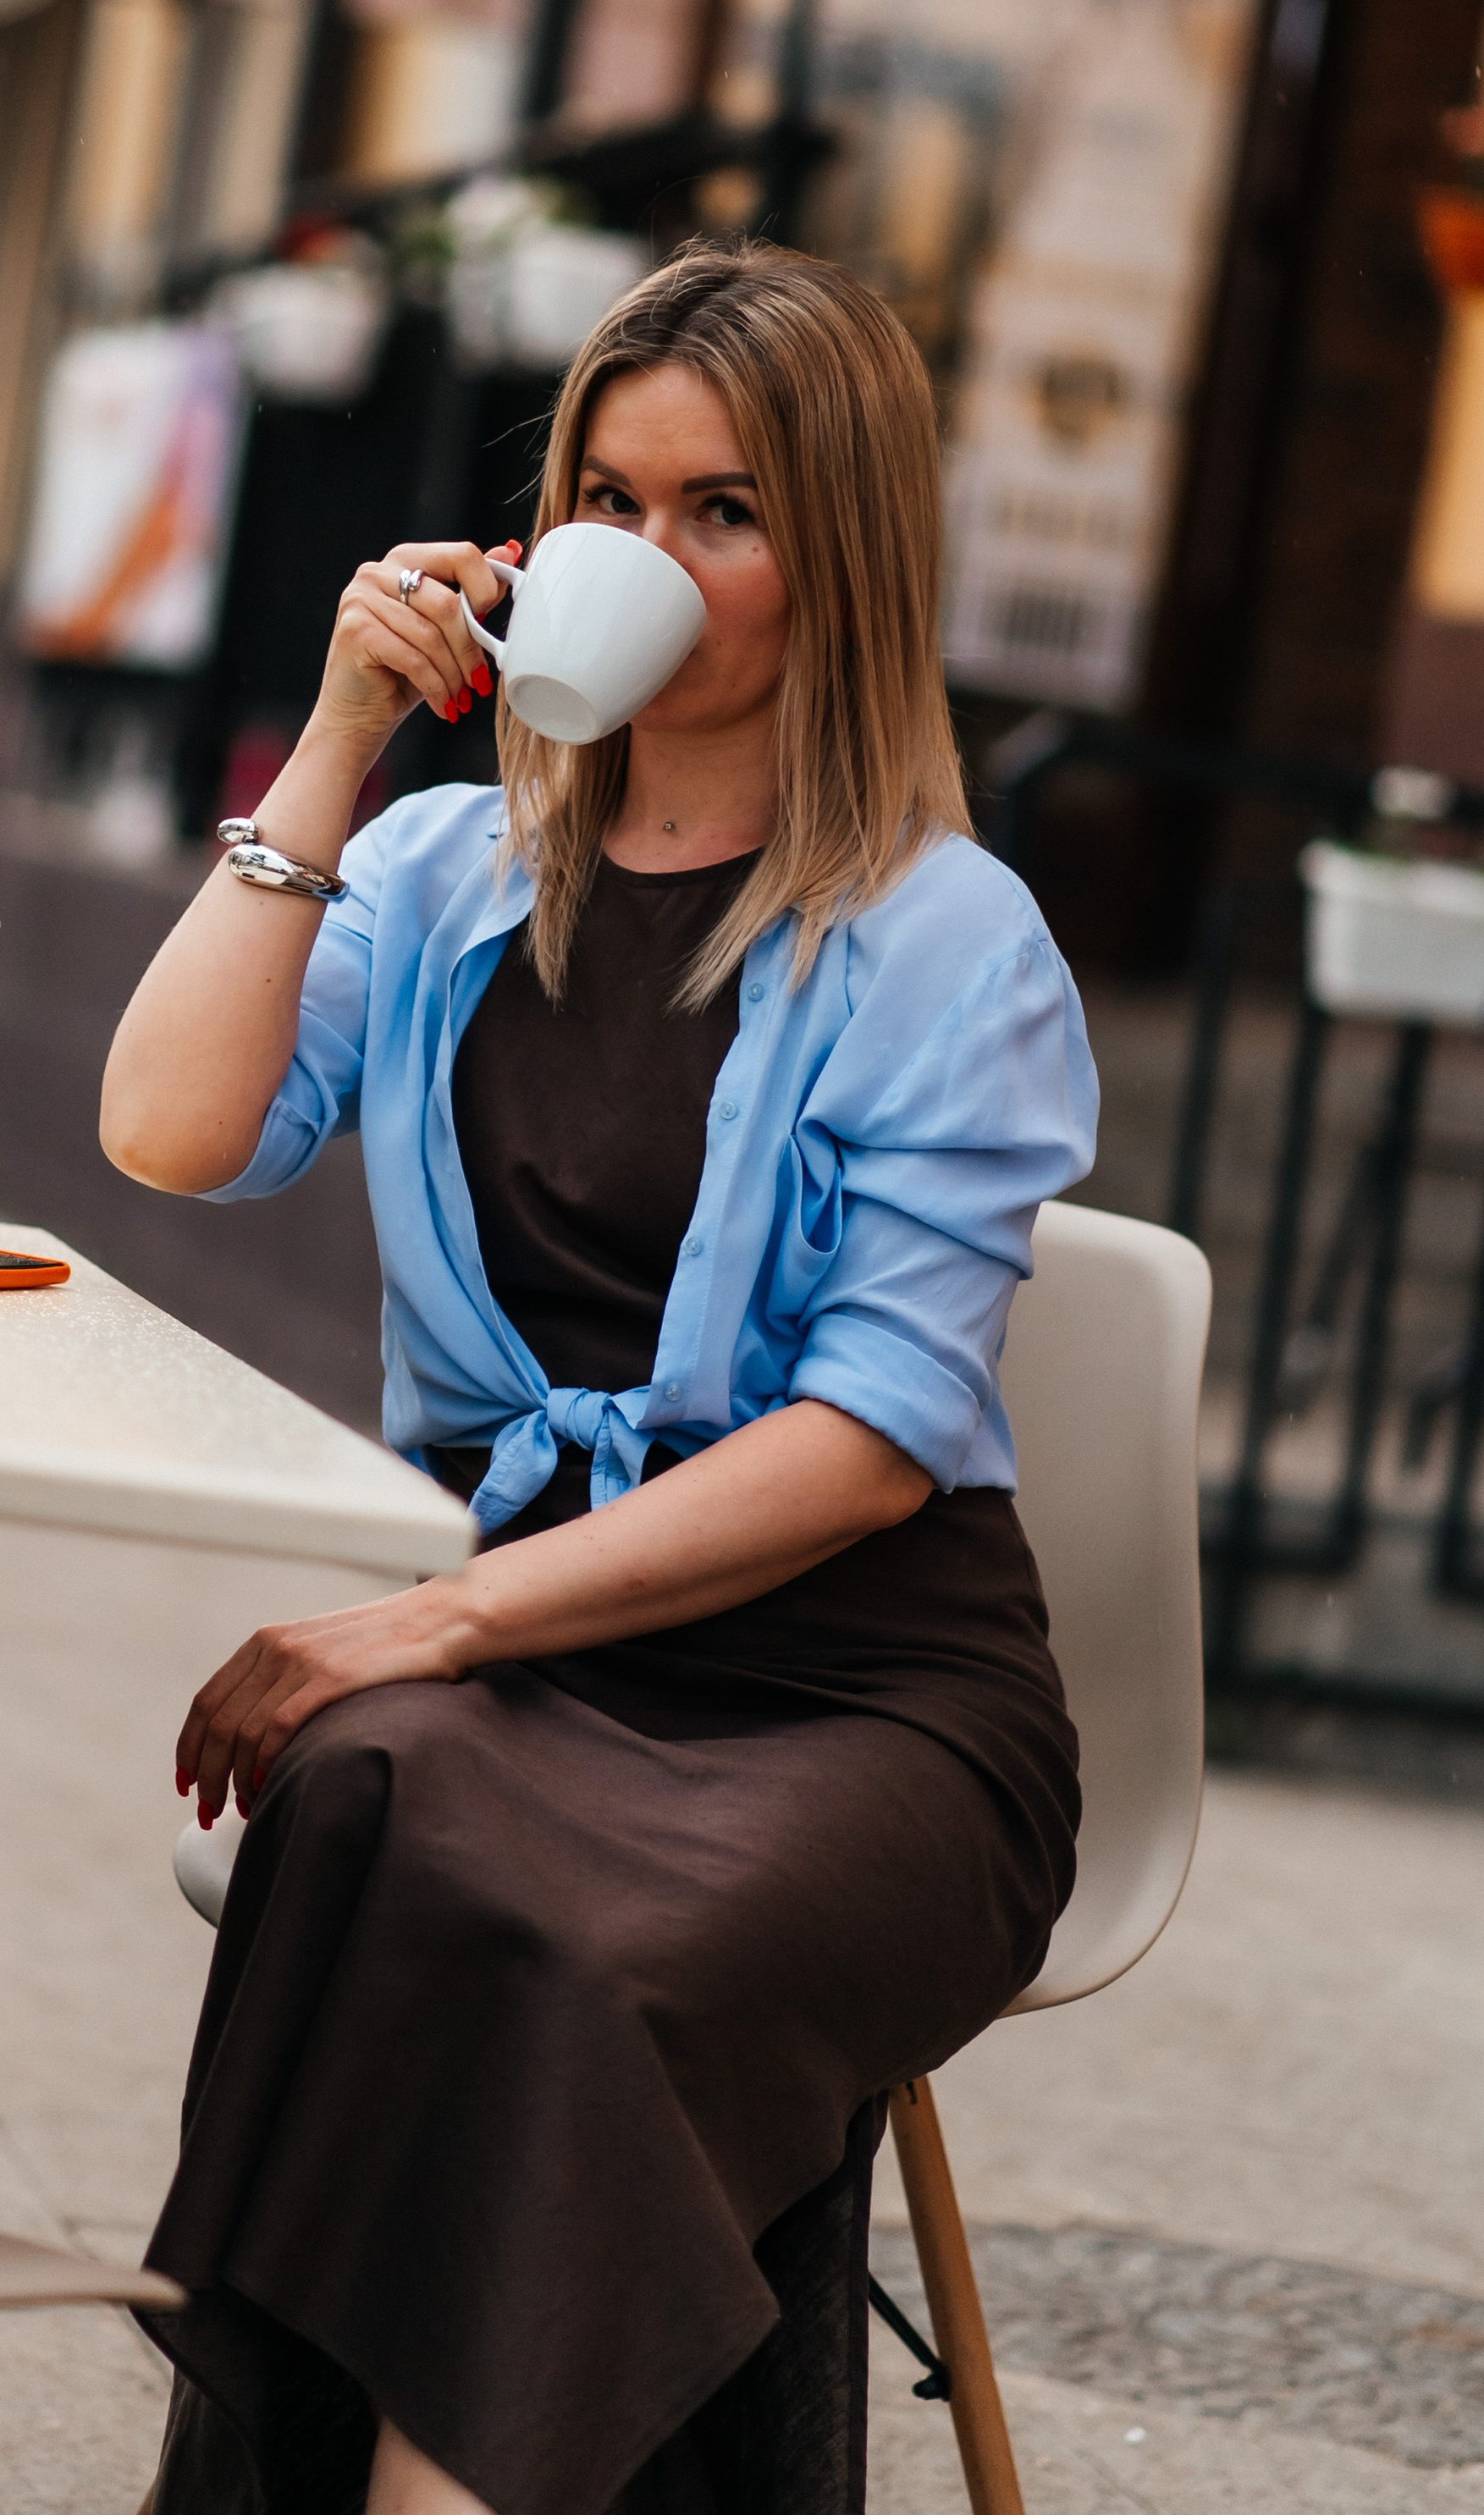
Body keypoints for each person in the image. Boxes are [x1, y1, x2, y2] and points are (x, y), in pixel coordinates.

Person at [101, 242, 1096, 2515]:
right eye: (605, 504)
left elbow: (865, 1455)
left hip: (866, 1698)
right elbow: (168, 1123)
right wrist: (345, 732)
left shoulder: (949, 939)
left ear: (840, 552)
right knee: (355, 1814)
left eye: (721, 511)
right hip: (544, 1654)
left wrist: (417, 1615)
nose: (647, 564)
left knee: (586, 1955)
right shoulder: (451, 869)